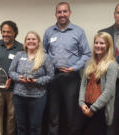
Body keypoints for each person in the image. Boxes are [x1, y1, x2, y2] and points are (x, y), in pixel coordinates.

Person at [43, 2, 91, 135]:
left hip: (71, 78)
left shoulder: (78, 31)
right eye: (59, 12)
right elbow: (43, 54)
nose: (62, 14)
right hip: (53, 77)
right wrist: (49, 69)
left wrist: (74, 68)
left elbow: (86, 54)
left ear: (70, 13)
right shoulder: (49, 32)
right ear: (55, 14)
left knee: (71, 114)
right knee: (53, 113)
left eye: (65, 11)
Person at [9, 31, 54, 135]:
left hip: (37, 97)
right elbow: (11, 72)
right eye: (28, 39)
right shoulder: (19, 55)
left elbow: (51, 76)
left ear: (38, 42)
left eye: (33, 39)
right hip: (19, 96)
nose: (31, 41)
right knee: (21, 125)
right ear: (25, 42)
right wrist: (19, 78)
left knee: (35, 126)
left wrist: (36, 81)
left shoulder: (45, 57)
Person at [77, 32, 118, 135]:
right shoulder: (89, 63)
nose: (98, 46)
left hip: (99, 109)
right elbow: (83, 85)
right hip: (85, 107)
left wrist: (93, 109)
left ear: (108, 46)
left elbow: (109, 92)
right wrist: (82, 103)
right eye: (96, 43)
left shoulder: (111, 65)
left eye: (102, 43)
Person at [0, 20, 23, 135]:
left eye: (8, 31)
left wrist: (11, 79)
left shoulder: (20, 47)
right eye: (3, 31)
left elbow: (21, 68)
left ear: (14, 33)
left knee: (11, 117)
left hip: (13, 89)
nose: (5, 34)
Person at [98, 3, 119, 135]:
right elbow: (98, 58)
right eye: (118, 12)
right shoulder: (103, 33)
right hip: (109, 83)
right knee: (109, 118)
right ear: (114, 14)